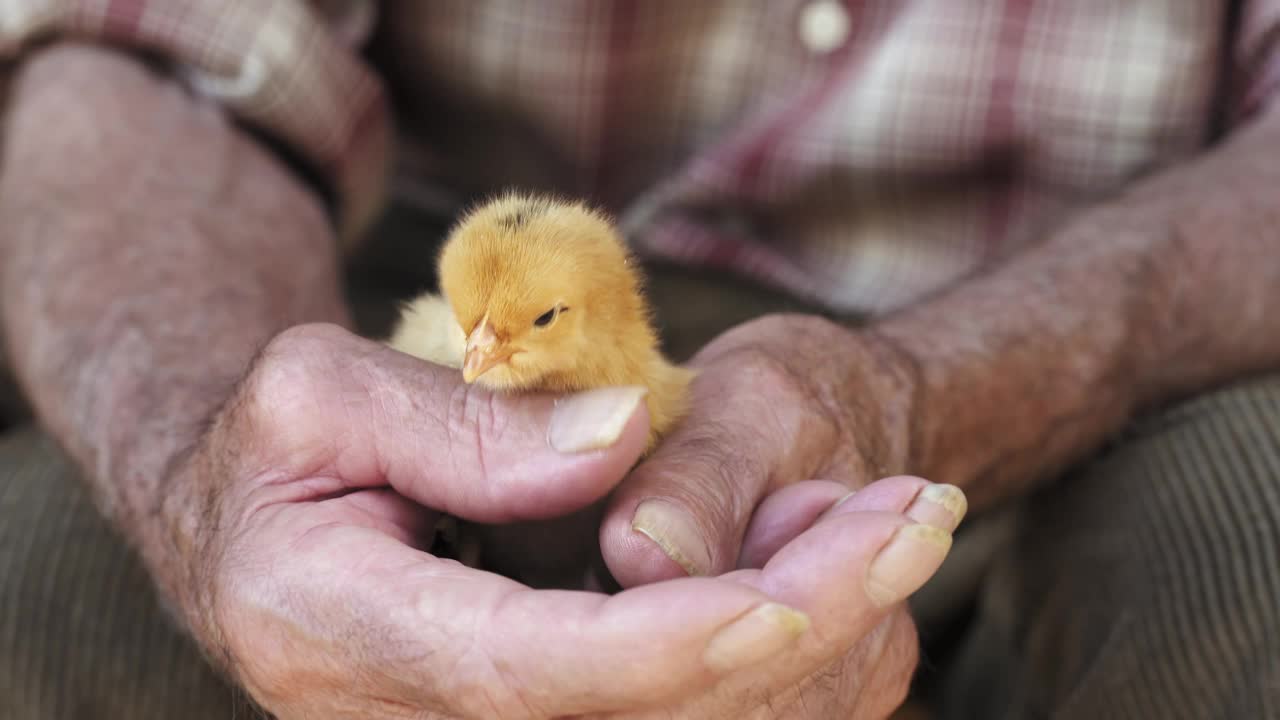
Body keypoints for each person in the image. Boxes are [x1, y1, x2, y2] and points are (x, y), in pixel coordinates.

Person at [1, 2, 1278, 718]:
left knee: (1250, 527)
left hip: (1060, 343)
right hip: (364, 268)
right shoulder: (494, 316)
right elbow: (136, 47)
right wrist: (214, 477)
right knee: (48, 567)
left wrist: (911, 389)